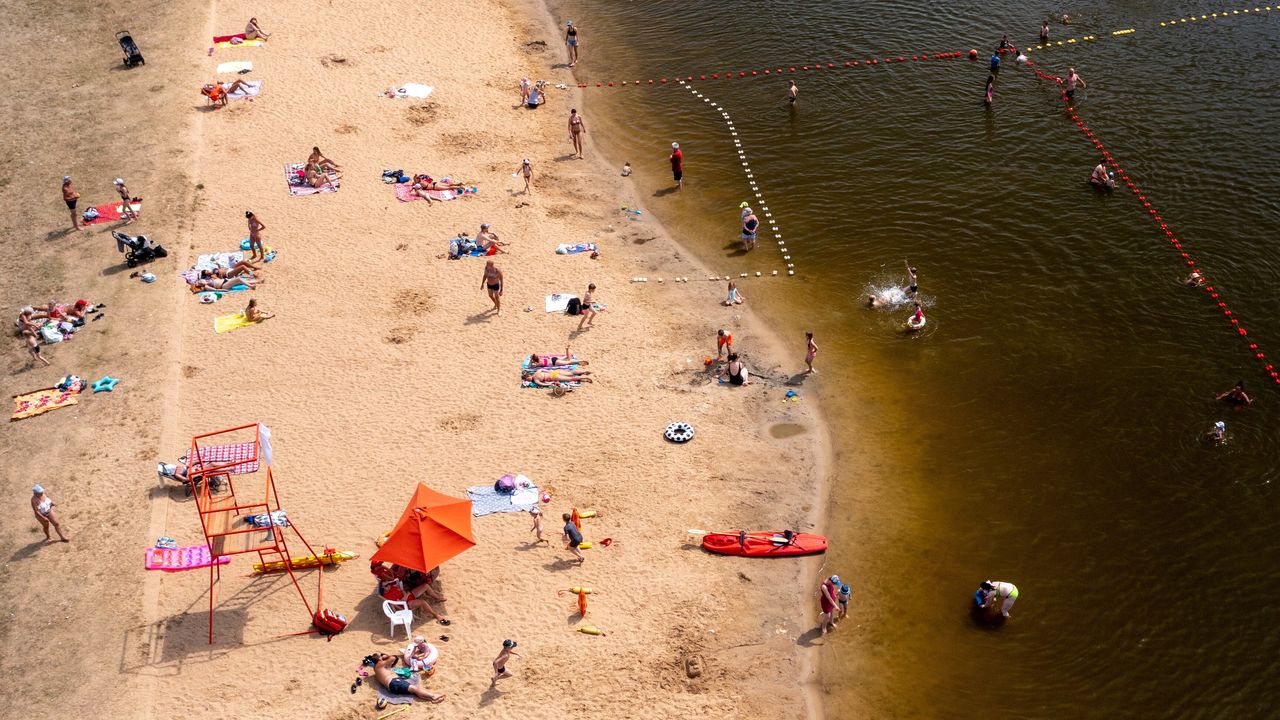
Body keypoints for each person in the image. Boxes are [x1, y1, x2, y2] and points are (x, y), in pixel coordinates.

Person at [373, 654, 445, 703]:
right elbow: (393, 657)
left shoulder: (377, 669)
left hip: (392, 687)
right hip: (394, 682)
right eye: (381, 657)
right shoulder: (380, 664)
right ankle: (433, 696)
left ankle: (430, 699)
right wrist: (385, 656)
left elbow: (389, 664)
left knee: (414, 691)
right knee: (414, 689)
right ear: (379, 659)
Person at [523, 367, 594, 386]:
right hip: (554, 372)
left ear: (529, 375)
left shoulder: (535, 379)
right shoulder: (536, 373)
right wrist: (549, 371)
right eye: (527, 380)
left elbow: (542, 384)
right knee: (570, 373)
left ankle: (587, 377)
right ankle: (585, 371)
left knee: (570, 378)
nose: (528, 380)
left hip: (553, 376)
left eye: (527, 378)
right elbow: (541, 369)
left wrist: (549, 383)